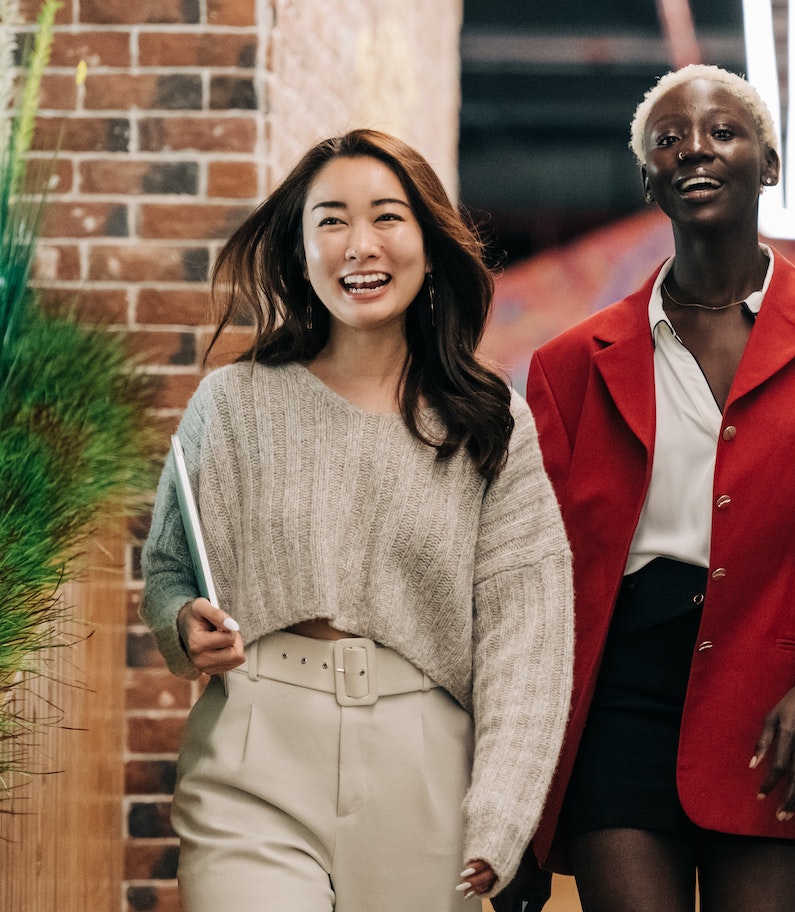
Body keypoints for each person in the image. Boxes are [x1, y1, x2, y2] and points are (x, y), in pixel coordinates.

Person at [520, 64, 795, 912]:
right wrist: (517, 785)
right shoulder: (567, 366)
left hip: (784, 710)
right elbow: (536, 584)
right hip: (616, 706)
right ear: (648, 180)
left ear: (769, 165)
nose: (694, 150)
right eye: (668, 141)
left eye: (722, 132)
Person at [139, 129, 574, 911]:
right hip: (253, 748)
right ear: (300, 250)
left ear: (428, 241)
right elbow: (172, 569)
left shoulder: (489, 422)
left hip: (426, 770)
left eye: (386, 217)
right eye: (331, 220)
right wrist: (182, 621)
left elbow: (528, 641)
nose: (359, 245)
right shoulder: (232, 405)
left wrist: (505, 811)